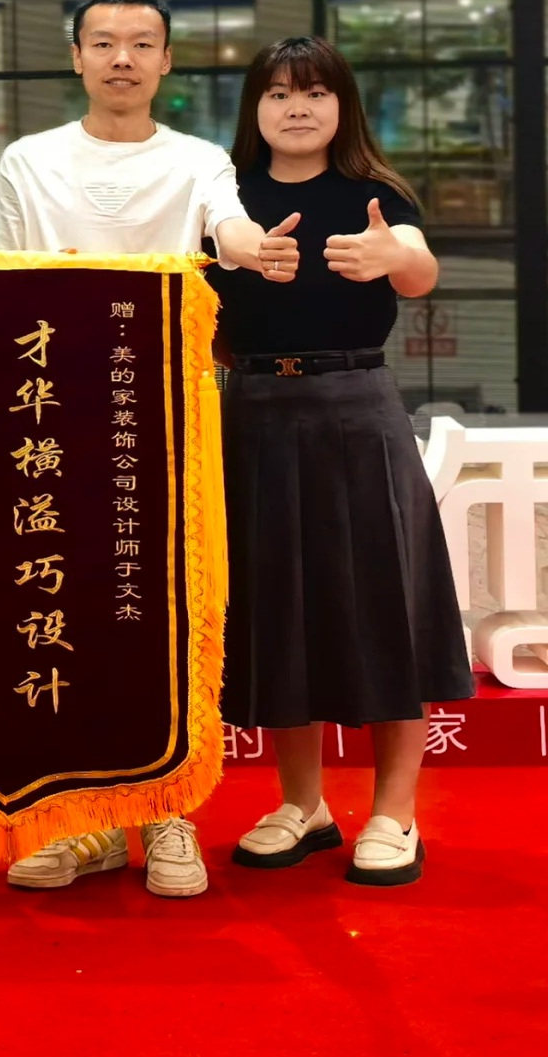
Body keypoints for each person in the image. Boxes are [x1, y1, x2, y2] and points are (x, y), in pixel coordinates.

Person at [0, 0, 299, 899]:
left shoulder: (198, 160)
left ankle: (170, 813)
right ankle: (81, 823)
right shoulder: (29, 159)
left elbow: (228, 227)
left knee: (171, 613)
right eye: (105, 44)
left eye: (141, 45)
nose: (122, 58)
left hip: (167, 419)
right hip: (50, 420)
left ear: (165, 62)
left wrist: (252, 251)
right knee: (66, 612)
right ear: (77, 57)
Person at [209, 36, 474, 885]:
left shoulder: (376, 192)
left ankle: (394, 813)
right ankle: (304, 805)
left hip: (357, 410)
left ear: (342, 105)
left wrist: (396, 257)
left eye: (316, 92)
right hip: (251, 413)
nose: (297, 107)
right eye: (279, 93)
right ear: (254, 107)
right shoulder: (225, 198)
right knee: (278, 609)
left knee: (385, 605)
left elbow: (419, 270)